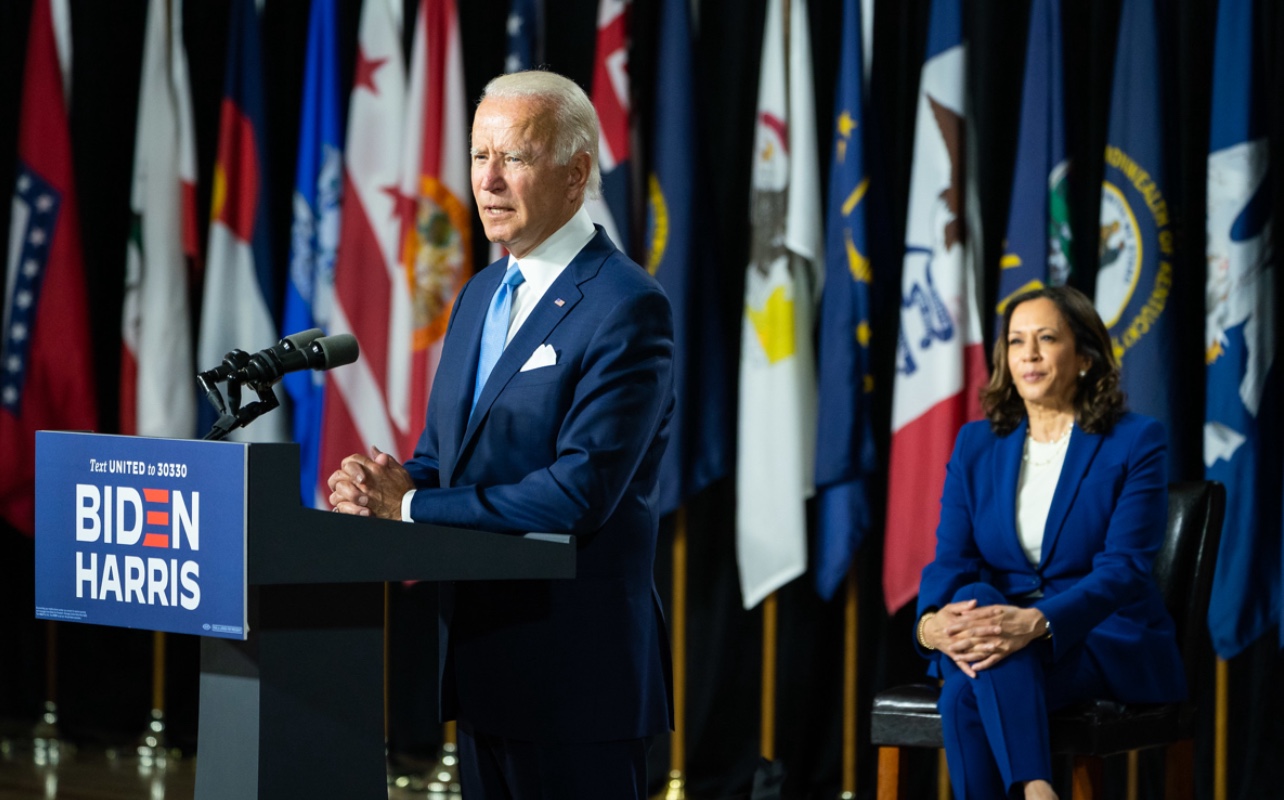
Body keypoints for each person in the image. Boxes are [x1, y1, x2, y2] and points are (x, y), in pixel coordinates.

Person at [327, 70, 674, 798]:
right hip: (483, 671)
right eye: (479, 155)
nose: (487, 180)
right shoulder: (482, 294)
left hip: (578, 683)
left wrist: (413, 508)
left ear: (576, 174)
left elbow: (579, 494)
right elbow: (444, 459)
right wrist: (387, 486)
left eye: (512, 156)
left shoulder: (626, 306)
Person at [913, 285, 1184, 800]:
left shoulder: (1135, 440)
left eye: (1046, 338)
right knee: (983, 612)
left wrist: (1038, 622)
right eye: (1016, 342)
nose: (1029, 354)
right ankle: (1037, 789)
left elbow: (1123, 569)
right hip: (998, 634)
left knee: (964, 695)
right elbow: (953, 559)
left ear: (1083, 356)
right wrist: (931, 627)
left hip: (1098, 634)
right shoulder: (976, 444)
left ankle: (1035, 789)